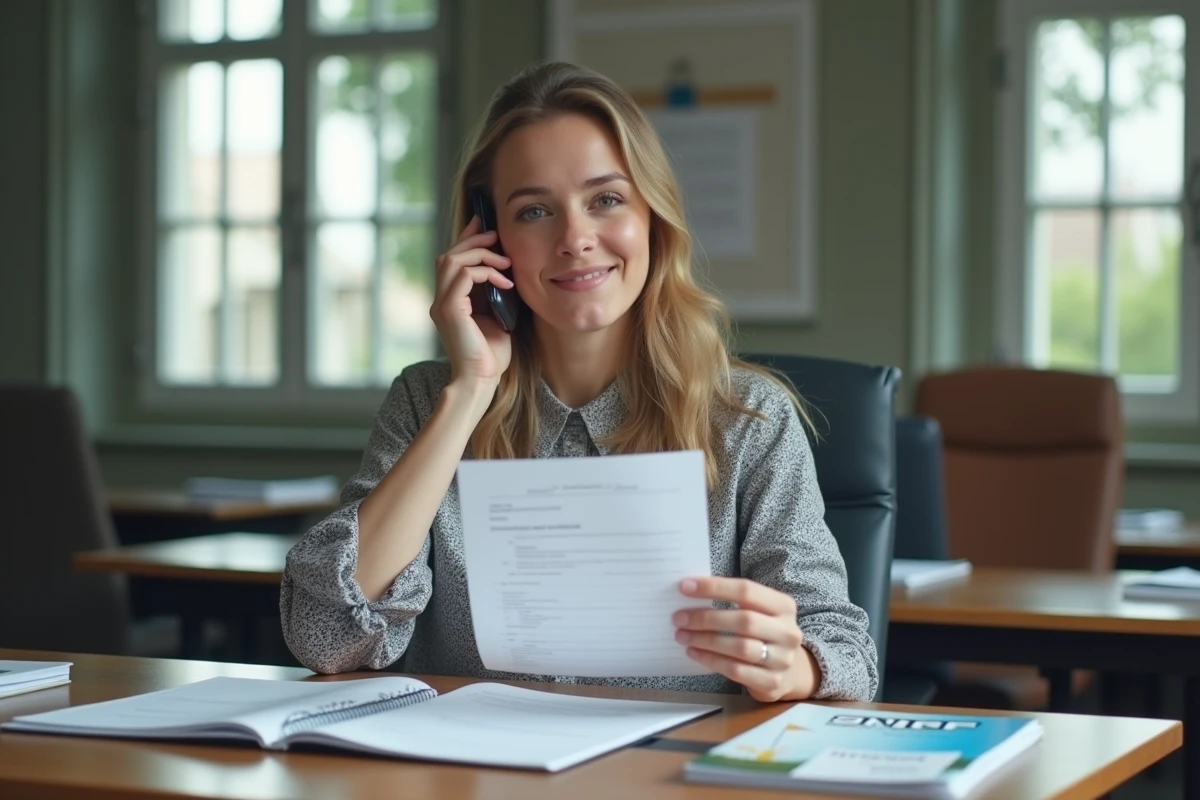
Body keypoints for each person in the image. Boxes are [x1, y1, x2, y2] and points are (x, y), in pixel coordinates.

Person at [281, 61, 877, 703]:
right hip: (476, 754)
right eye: (534, 210)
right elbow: (326, 638)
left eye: (606, 200)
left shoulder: (747, 417)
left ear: (652, 216)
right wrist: (471, 391)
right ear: (489, 237)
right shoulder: (428, 402)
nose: (575, 239)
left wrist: (792, 666)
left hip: (669, 756)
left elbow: (847, 656)